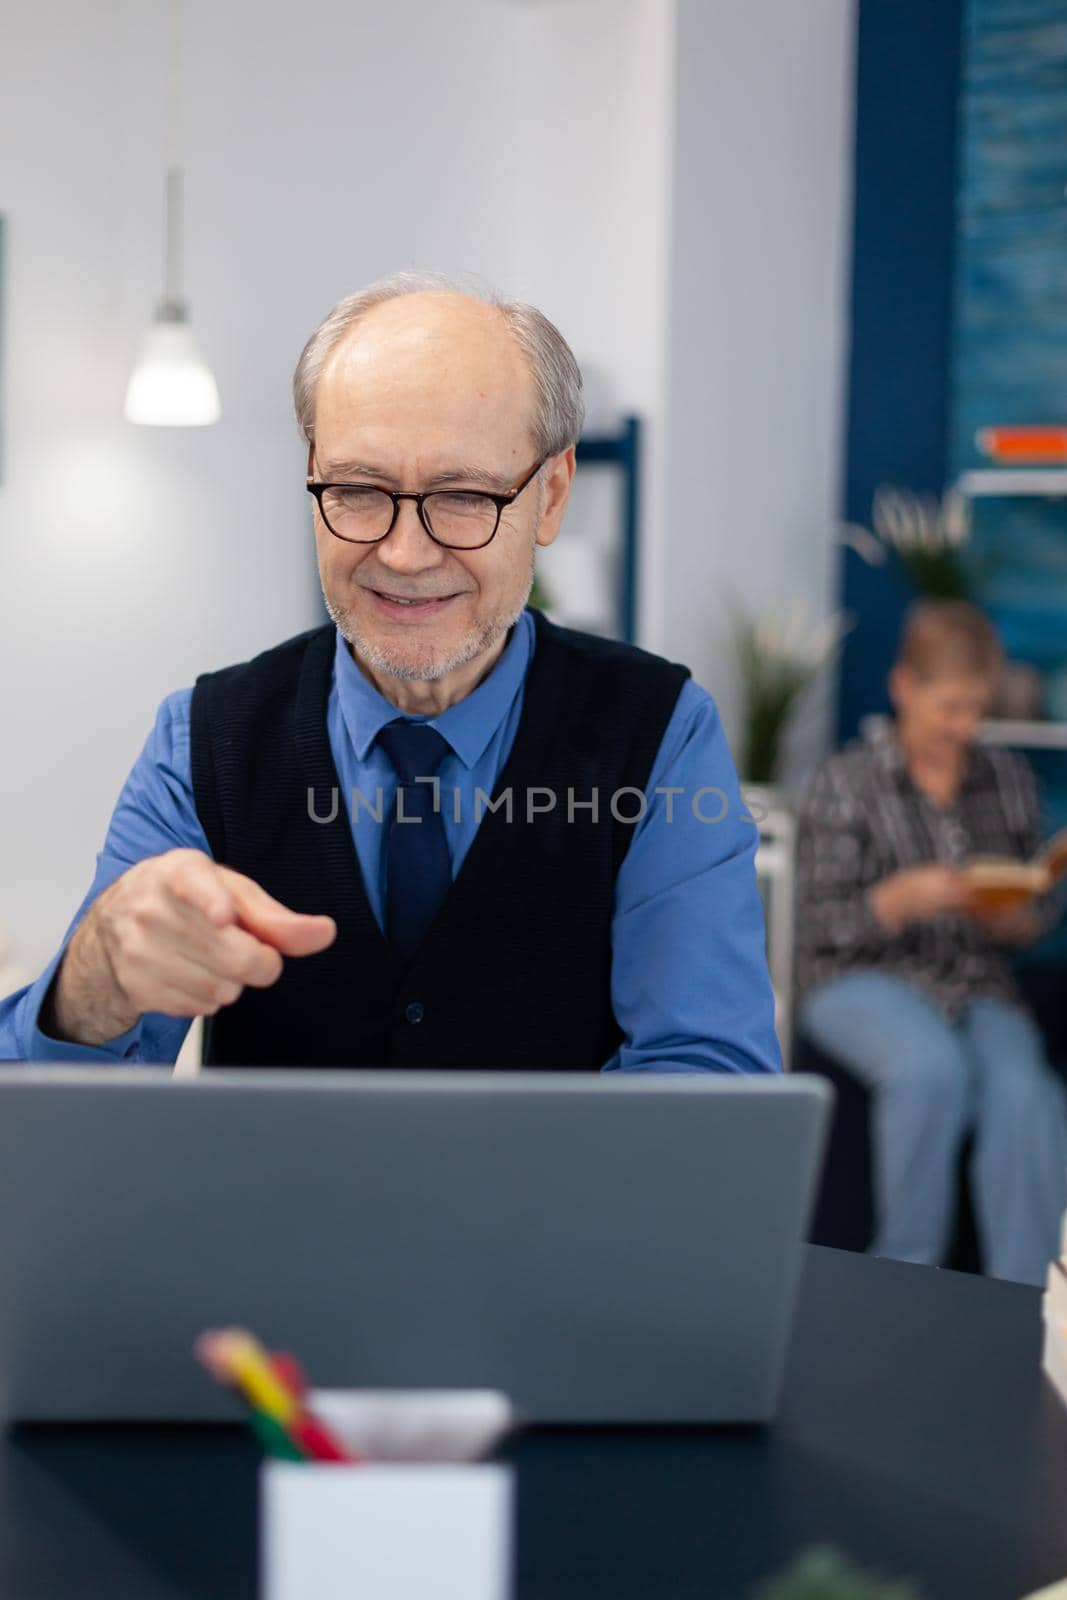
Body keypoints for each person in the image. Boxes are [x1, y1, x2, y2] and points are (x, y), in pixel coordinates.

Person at [0, 270, 780, 1077]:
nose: (405, 555)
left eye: (465, 495)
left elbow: (707, 1081)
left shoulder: (659, 733)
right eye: (360, 488)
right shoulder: (202, 739)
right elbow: (54, 1116)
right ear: (313, 478)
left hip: (553, 1208)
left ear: (550, 496)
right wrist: (94, 976)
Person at [795, 600, 1066, 1285]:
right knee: (928, 1071)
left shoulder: (1004, 779)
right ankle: (905, 1279)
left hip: (975, 978)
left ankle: (1025, 1297)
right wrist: (895, 900)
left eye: (975, 709)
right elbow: (814, 928)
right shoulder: (846, 781)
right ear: (903, 688)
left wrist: (1014, 917)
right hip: (856, 976)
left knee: (1026, 1095)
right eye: (949, 708)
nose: (963, 728)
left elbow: (1033, 916)